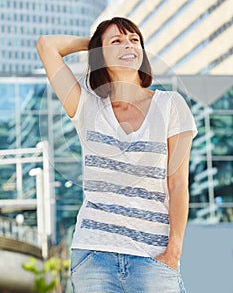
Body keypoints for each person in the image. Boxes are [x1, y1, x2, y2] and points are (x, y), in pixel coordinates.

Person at [36, 17, 197, 293]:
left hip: (154, 255)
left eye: (135, 40)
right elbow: (46, 45)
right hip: (94, 256)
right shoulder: (86, 107)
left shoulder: (171, 105)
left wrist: (174, 252)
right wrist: (96, 44)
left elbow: (178, 185)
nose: (128, 45)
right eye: (118, 41)